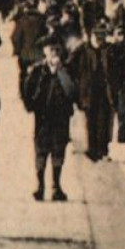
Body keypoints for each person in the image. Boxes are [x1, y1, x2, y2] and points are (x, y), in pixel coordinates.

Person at [22, 40, 76, 202]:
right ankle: (40, 186)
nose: (53, 52)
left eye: (56, 49)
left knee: (58, 151)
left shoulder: (67, 70)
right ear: (44, 51)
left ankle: (56, 186)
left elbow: (72, 91)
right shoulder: (38, 70)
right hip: (43, 117)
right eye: (50, 49)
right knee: (41, 151)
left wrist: (61, 72)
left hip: (61, 117)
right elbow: (27, 89)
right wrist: (30, 106)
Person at [71, 25, 112, 161]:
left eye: (102, 36)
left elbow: (118, 68)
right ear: (91, 36)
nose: (100, 39)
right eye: (97, 36)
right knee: (91, 121)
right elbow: (70, 65)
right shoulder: (82, 50)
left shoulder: (110, 49)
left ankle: (103, 149)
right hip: (88, 91)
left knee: (104, 121)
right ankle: (93, 149)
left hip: (105, 91)